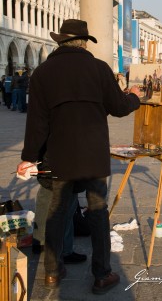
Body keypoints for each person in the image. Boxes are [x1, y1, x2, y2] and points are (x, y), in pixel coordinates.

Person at [17, 19, 140, 294]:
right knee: (97, 214)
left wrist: (29, 157)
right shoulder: (98, 68)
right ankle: (101, 275)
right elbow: (119, 107)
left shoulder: (42, 73)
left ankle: (51, 271)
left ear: (60, 41)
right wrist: (134, 97)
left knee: (57, 213)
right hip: (93, 156)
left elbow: (37, 123)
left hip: (60, 156)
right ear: (85, 42)